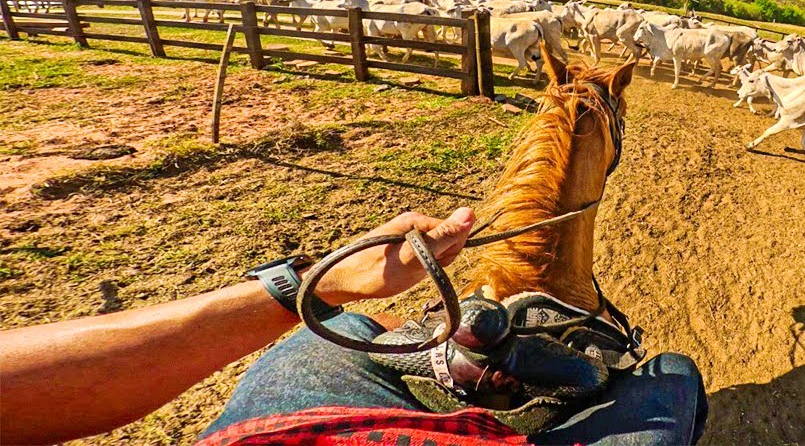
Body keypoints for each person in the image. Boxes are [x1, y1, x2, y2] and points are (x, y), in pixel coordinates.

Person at [0, 208, 707, 445]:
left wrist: (320, 286)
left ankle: (454, 364)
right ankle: (536, 371)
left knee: (337, 331)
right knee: (670, 374)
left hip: (285, 435)